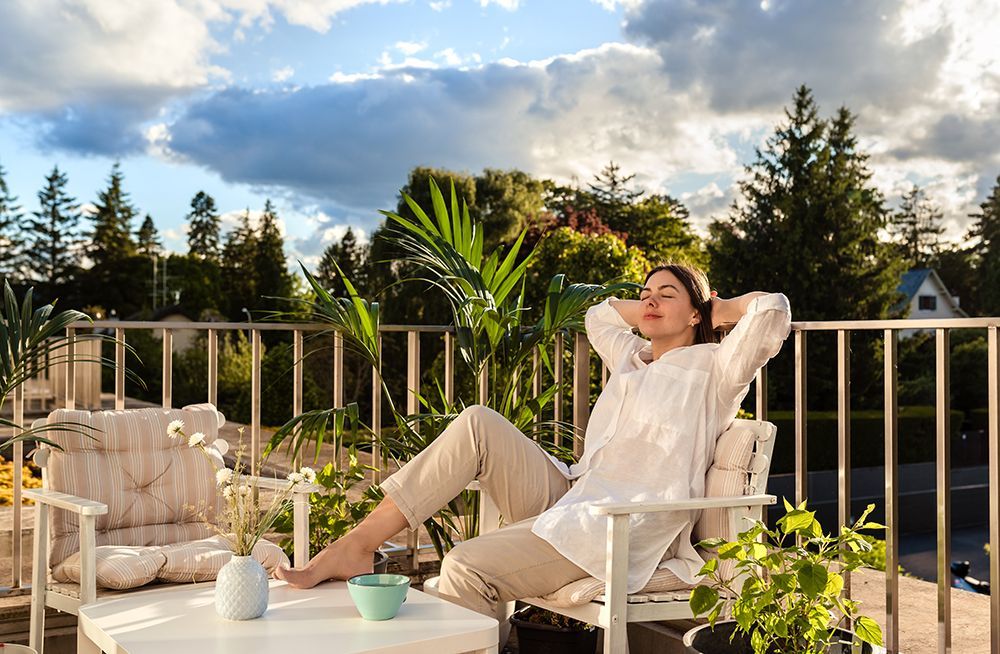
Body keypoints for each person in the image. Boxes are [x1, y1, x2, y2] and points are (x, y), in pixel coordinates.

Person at [275, 263, 791, 625]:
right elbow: (598, 315)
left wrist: (719, 306)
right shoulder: (633, 359)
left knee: (465, 565)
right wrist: (661, 305)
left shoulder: (715, 371)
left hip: (612, 527)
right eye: (646, 293)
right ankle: (358, 545)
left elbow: (772, 313)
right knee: (478, 422)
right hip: (571, 494)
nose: (649, 301)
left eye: (665, 295)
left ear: (698, 315)